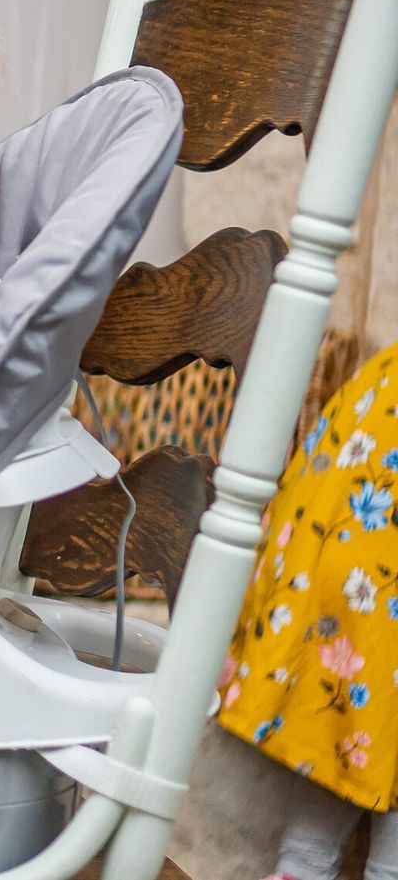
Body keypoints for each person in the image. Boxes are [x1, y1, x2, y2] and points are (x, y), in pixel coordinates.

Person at [221, 342, 398, 880]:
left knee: (340, 741)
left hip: (350, 586)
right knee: (348, 737)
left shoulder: (382, 376)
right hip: (364, 585)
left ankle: (302, 867)